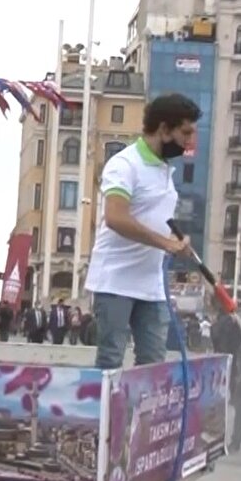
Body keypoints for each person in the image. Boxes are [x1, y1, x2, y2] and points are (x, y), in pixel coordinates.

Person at [85, 93, 200, 369]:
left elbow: (153, 218)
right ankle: (108, 413)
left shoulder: (163, 170)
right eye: (185, 132)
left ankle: (139, 414)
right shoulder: (125, 165)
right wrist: (166, 244)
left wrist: (176, 241)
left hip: (151, 285)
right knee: (111, 359)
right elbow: (115, 217)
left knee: (153, 363)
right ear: (163, 129)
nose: (190, 141)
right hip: (114, 281)